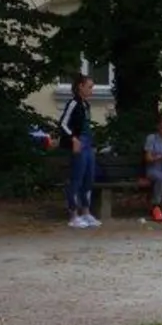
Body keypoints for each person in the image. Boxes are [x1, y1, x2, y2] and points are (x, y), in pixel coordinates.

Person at [55, 74, 99, 228]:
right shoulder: (73, 103)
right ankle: (73, 215)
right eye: (89, 87)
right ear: (80, 86)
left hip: (88, 144)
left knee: (89, 178)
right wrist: (73, 139)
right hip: (79, 142)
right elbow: (63, 123)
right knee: (77, 179)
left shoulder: (86, 105)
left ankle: (86, 212)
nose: (92, 90)